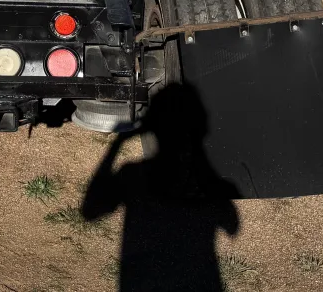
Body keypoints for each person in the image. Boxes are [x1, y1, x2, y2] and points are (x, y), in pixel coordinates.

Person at [81, 84, 240, 292]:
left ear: (152, 128)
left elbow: (90, 211)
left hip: (143, 280)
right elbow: (231, 226)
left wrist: (117, 144)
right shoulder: (211, 185)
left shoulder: (133, 176)